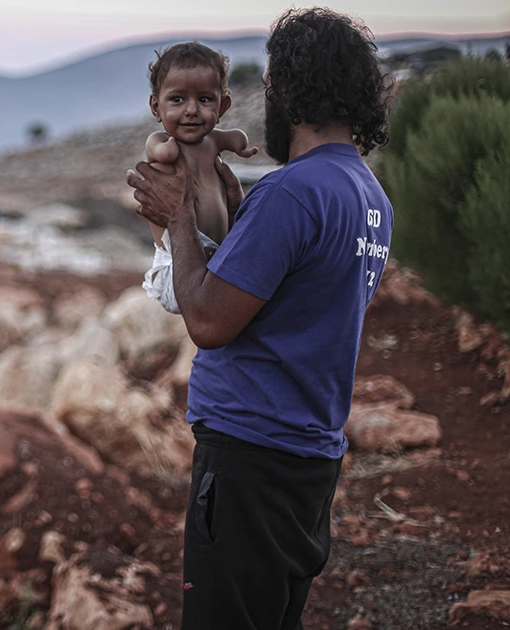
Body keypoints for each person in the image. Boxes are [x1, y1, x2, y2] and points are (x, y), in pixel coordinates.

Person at [126, 7, 393, 629]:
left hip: (250, 455)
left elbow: (211, 323)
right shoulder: (370, 196)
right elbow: (303, 306)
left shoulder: (294, 192)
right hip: (311, 457)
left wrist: (177, 218)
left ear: (290, 93)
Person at [140, 42, 258, 313]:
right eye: (177, 100)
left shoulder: (212, 141)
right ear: (156, 108)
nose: (191, 110)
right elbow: (154, 149)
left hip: (215, 256)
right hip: (177, 265)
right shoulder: (160, 139)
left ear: (223, 106)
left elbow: (235, 136)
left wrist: (241, 146)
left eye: (204, 100)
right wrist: (165, 151)